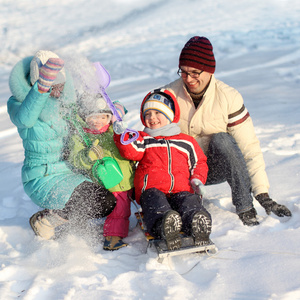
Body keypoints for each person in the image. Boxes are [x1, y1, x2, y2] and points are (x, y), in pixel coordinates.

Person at [162, 36, 292, 226]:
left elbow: (249, 148)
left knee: (223, 139)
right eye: (183, 72)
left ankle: (245, 208)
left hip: (212, 169)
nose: (188, 79)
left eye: (195, 72)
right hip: (179, 172)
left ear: (209, 70)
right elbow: (151, 140)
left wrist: (262, 194)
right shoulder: (168, 95)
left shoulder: (228, 97)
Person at [7, 50, 116, 240]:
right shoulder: (19, 103)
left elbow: (90, 114)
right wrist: (42, 89)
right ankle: (45, 220)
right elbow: (26, 118)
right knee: (85, 201)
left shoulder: (65, 103)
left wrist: (112, 112)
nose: (57, 91)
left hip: (69, 171)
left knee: (105, 201)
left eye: (61, 85)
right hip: (42, 176)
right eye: (52, 86)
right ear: (36, 84)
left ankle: (63, 215)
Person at [113, 89, 212, 251]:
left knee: (189, 202)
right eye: (147, 114)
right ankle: (165, 227)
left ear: (170, 115)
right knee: (156, 205)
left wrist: (197, 179)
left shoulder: (186, 141)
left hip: (182, 189)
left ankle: (196, 223)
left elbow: (199, 162)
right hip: (152, 190)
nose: (151, 118)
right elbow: (130, 150)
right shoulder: (144, 139)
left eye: (157, 113)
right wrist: (121, 134)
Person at [67, 92, 135, 251]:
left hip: (127, 177)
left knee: (125, 207)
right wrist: (87, 155)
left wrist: (116, 110)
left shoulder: (113, 129)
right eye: (93, 117)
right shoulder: (81, 136)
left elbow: (120, 109)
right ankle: (112, 237)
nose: (98, 121)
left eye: (103, 117)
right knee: (119, 209)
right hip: (108, 180)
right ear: (85, 117)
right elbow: (75, 159)